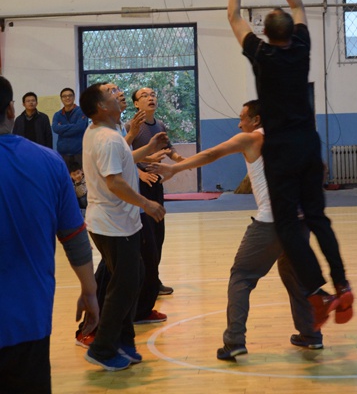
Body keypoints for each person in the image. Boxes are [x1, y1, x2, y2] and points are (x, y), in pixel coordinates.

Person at [227, 0, 353, 330]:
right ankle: (342, 284)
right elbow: (298, 4)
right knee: (317, 218)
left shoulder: (260, 55)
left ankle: (316, 293)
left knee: (286, 225)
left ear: (264, 34)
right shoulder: (302, 47)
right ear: (291, 32)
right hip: (308, 144)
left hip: (281, 149)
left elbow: (233, 16)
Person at [149, 99, 324, 360]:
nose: (239, 124)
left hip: (272, 222)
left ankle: (234, 341)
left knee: (241, 276)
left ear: (256, 120)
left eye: (243, 118)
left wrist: (174, 168)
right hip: (299, 222)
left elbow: (211, 154)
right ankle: (310, 334)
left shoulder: (251, 139)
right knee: (294, 275)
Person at [0, 76, 98, 394]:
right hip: (27, 322)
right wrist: (90, 291)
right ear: (11, 110)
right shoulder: (48, 162)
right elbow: (74, 236)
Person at [80, 83, 167, 371]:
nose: (118, 95)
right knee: (124, 286)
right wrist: (146, 204)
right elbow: (114, 182)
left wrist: (148, 149)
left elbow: (124, 160)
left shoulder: (105, 132)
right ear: (102, 107)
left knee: (133, 278)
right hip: (113, 224)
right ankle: (103, 348)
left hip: (115, 222)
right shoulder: (107, 138)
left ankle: (124, 341)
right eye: (110, 93)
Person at [126, 87, 182, 297]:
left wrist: (181, 161)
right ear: (136, 104)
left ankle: (153, 281)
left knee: (158, 235)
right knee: (146, 238)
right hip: (140, 186)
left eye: (152, 95)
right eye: (144, 96)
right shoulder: (130, 127)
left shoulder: (159, 125)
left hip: (156, 184)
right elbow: (124, 155)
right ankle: (145, 284)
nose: (150, 98)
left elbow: (169, 148)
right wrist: (139, 173)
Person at [52, 87, 89, 166]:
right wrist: (73, 126)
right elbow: (55, 128)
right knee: (64, 174)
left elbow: (79, 127)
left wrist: (62, 129)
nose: (67, 98)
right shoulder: (57, 114)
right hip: (62, 153)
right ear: (61, 99)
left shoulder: (81, 112)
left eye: (70, 95)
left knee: (80, 174)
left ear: (74, 97)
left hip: (79, 153)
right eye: (64, 96)